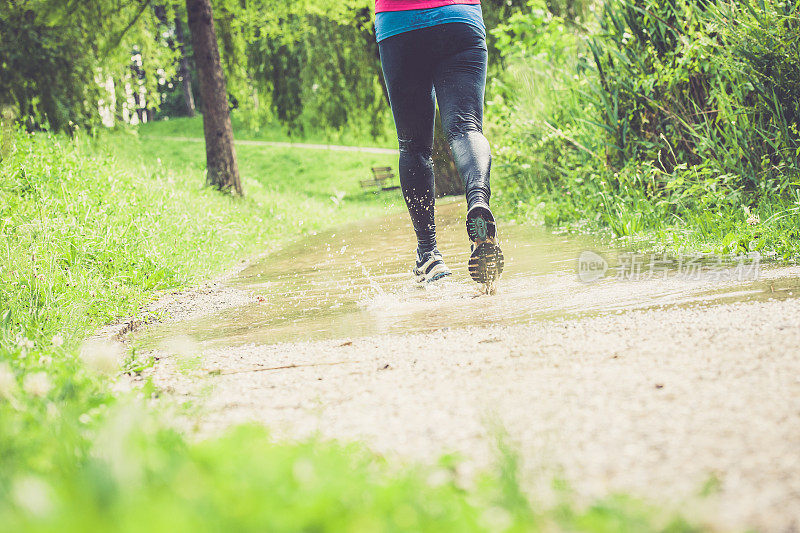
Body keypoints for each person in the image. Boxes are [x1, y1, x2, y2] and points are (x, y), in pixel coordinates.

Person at [375, 0, 504, 292]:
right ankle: (478, 202)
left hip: (399, 25)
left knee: (414, 147)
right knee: (466, 128)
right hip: (459, 17)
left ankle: (429, 254)